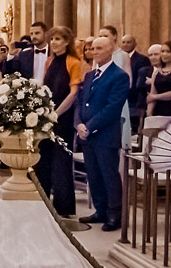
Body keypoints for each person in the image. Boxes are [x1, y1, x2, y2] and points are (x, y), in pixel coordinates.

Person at [76, 31, 130, 231]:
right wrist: (79, 124)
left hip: (105, 134)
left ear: (110, 50)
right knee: (94, 174)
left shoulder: (119, 76)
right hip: (87, 134)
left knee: (109, 175)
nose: (94, 52)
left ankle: (115, 214)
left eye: (99, 48)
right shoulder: (90, 75)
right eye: (92, 48)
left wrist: (90, 126)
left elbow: (112, 107)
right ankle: (100, 210)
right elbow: (81, 102)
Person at [34, 27, 83, 216]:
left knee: (61, 161)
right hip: (47, 116)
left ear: (67, 42)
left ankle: (63, 206)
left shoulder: (74, 62)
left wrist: (56, 113)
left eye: (58, 39)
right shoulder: (49, 61)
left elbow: (73, 93)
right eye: (52, 39)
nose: (54, 42)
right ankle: (43, 199)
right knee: (43, 158)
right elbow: (45, 88)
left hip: (63, 117)